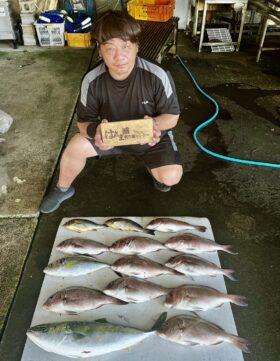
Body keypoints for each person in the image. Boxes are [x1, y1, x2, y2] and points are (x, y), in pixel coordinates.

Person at [40, 10, 183, 214]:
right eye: (110, 48)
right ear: (100, 50)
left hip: (149, 136)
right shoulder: (91, 80)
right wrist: (95, 132)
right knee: (75, 147)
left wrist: (155, 126)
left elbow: (172, 116)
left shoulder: (156, 75)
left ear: (136, 46)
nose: (119, 57)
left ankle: (153, 167)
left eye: (125, 46)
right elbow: (83, 122)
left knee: (171, 177)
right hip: (110, 137)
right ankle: (62, 188)